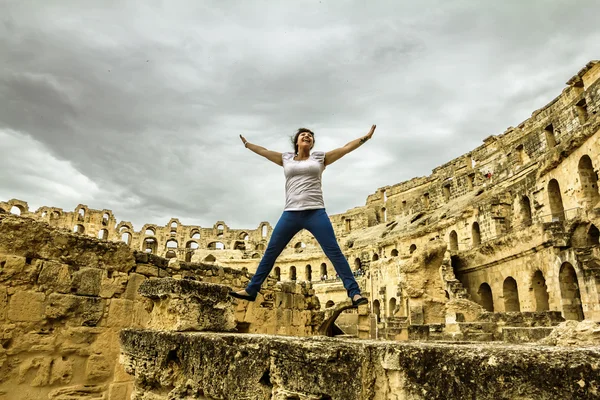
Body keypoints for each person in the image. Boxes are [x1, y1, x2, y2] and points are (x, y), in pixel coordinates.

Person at [229, 125, 377, 307]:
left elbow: (345, 148)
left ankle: (354, 293)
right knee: (271, 252)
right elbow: (265, 152)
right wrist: (248, 145)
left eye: (310, 136)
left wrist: (366, 138)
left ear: (312, 142)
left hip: (316, 212)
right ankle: (252, 289)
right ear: (297, 142)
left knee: (334, 252)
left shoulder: (320, 158)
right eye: (303, 135)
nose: (307, 136)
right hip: (291, 213)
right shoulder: (286, 158)